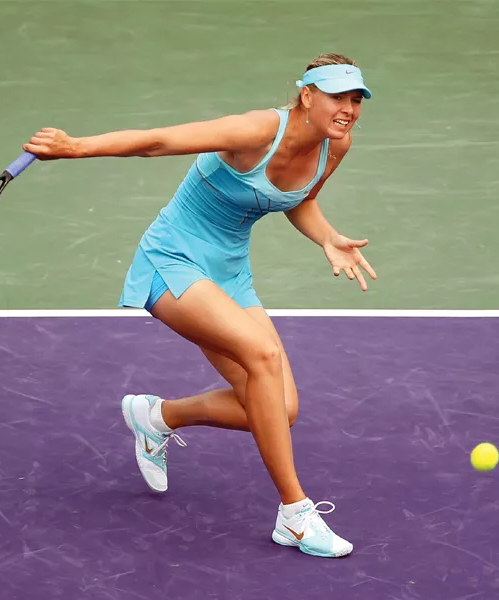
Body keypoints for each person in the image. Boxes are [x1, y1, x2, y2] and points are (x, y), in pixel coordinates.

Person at [23, 53, 377, 558]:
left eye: (356, 99)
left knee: (281, 409)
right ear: (306, 95)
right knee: (262, 356)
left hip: (229, 273)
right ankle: (295, 514)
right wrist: (75, 147)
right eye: (337, 97)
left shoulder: (336, 145)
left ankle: (156, 417)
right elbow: (159, 141)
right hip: (173, 259)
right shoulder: (255, 131)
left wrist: (327, 237)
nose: (348, 109)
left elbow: (299, 198)